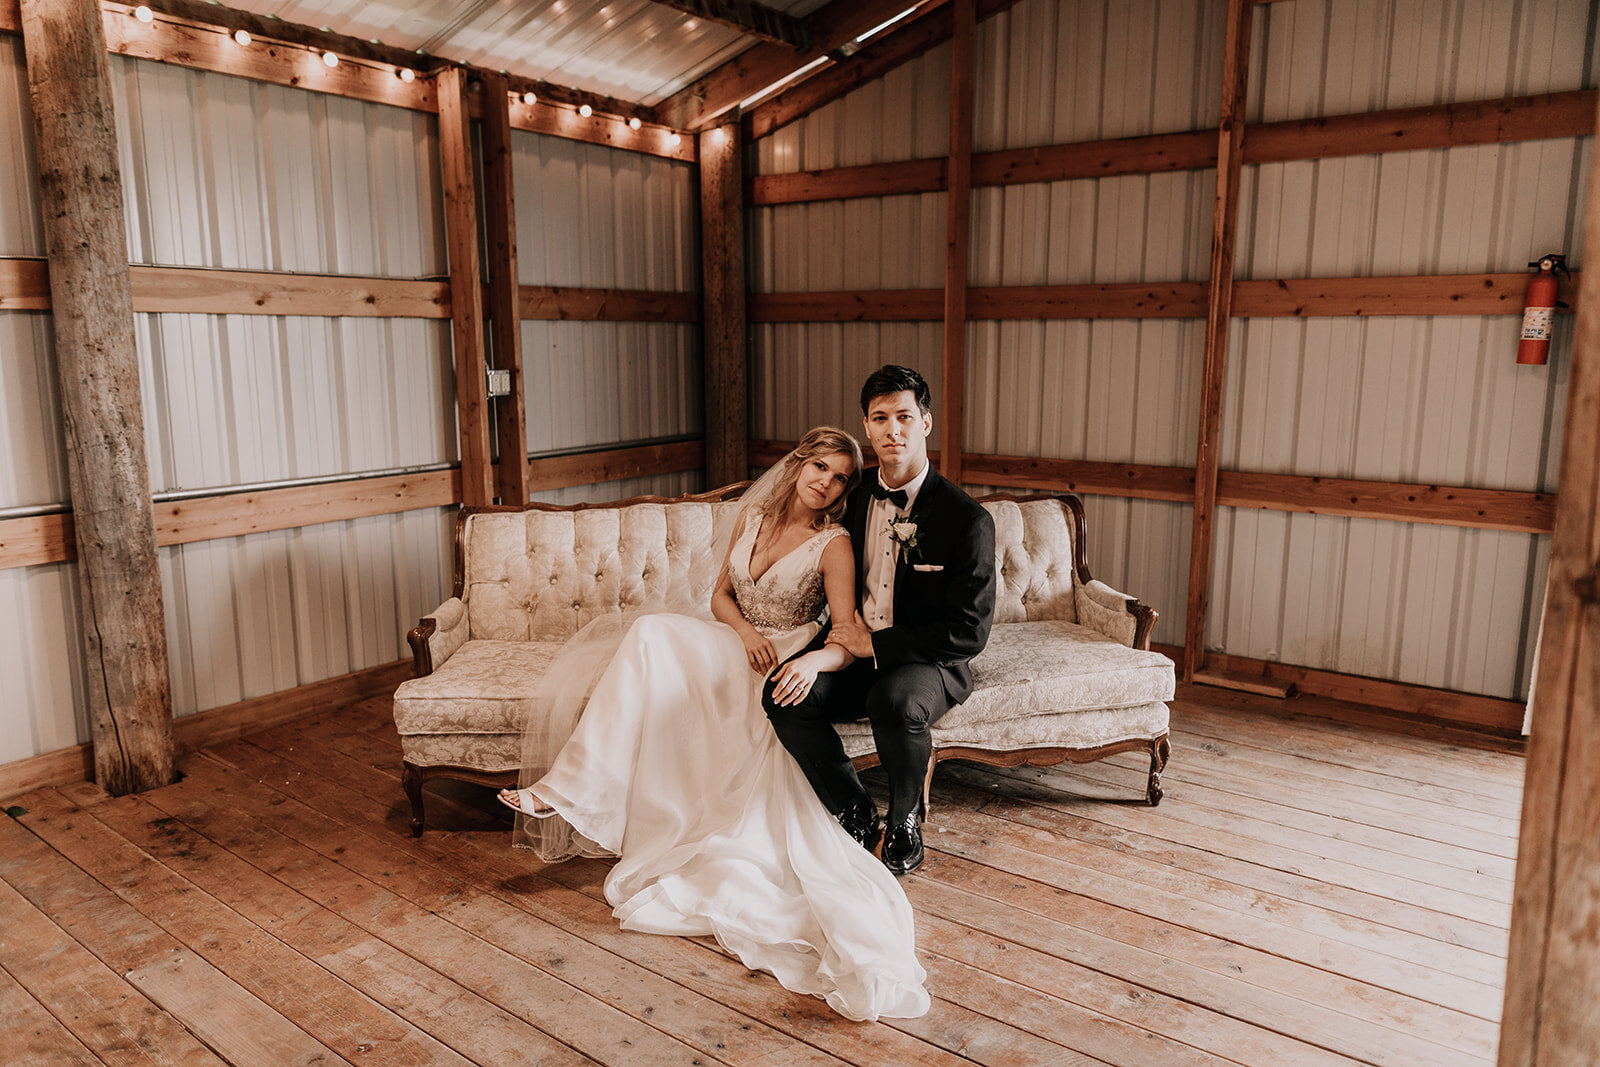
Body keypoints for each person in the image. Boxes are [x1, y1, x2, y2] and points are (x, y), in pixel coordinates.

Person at [496, 426, 930, 1022]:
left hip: (782, 656)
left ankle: (574, 789)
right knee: (651, 634)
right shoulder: (754, 517)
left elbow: (847, 633)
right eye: (819, 468)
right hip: (737, 642)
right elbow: (722, 596)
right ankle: (565, 788)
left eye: (839, 480)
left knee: (653, 639)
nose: (826, 484)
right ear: (798, 464)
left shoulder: (833, 544)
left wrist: (808, 663)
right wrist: (744, 633)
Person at [764, 366, 997, 876]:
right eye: (880, 418)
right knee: (783, 695)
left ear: (926, 423)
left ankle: (905, 818)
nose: (893, 430)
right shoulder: (851, 494)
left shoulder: (967, 520)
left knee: (893, 701)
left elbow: (969, 631)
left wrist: (877, 646)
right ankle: (854, 810)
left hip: (927, 660)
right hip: (849, 645)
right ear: (866, 427)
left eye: (904, 417)